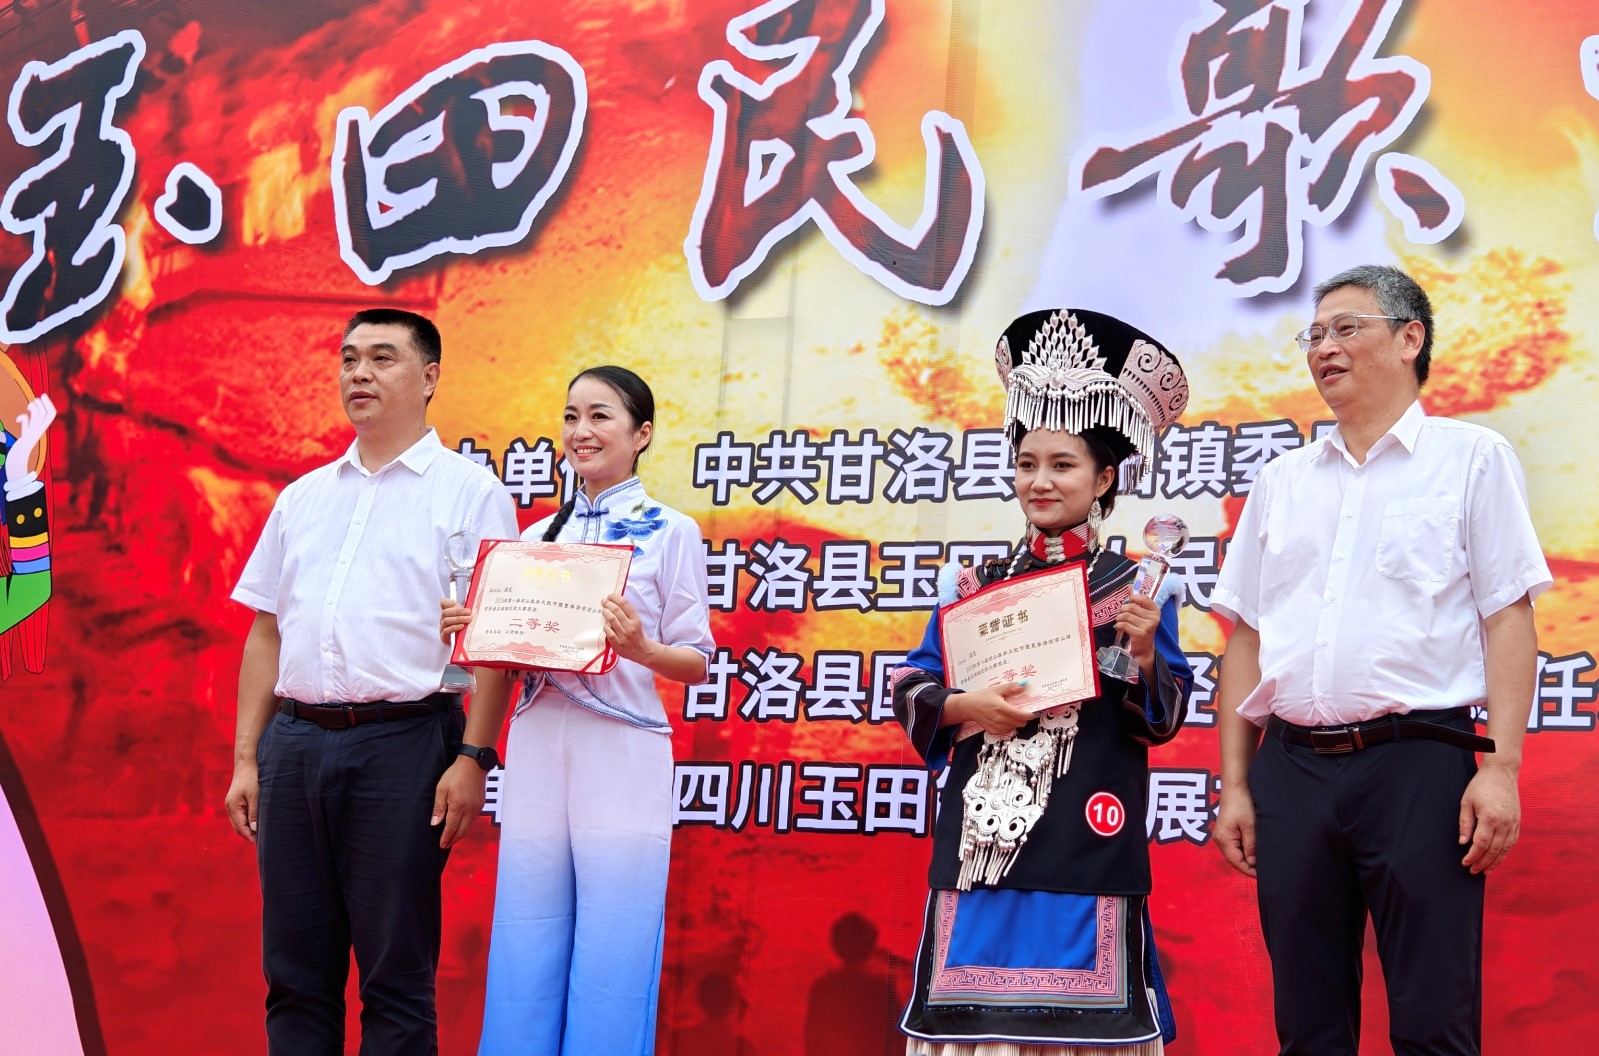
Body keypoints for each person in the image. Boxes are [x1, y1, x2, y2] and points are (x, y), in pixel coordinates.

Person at [1210, 264, 1551, 1056]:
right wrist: (1235, 783)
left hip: (1419, 765)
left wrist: (1500, 768)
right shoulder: (1281, 480)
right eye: (1313, 335)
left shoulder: (1470, 458)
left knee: (1433, 1022)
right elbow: (1245, 639)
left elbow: (1507, 617)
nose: (1323, 348)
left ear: (1408, 339)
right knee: (1307, 1025)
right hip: (1292, 768)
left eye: (1345, 328)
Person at [891, 309, 1194, 1055]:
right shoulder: (975, 584)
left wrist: (1145, 655)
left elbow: (1163, 717)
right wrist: (966, 705)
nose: (1040, 481)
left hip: (1086, 836)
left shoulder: (1136, 588)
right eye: (1027, 463)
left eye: (1062, 465)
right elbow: (913, 681)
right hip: (980, 846)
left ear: (1104, 478)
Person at [226, 308, 520, 1055]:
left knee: (395, 974)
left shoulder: (471, 492)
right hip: (294, 744)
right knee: (295, 971)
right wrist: (247, 758)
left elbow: (496, 638)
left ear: (429, 378)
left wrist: (474, 756)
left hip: (407, 744)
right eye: (350, 358)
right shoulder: (303, 496)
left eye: (382, 358)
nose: (359, 372)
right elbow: (267, 630)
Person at [440, 365, 714, 1056]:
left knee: (616, 934)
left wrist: (642, 648)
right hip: (537, 741)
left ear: (641, 434)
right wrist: (471, 630)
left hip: (622, 744)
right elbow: (503, 660)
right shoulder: (533, 539)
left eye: (599, 415)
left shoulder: (671, 531)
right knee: (525, 924)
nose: (579, 431)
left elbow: (696, 660)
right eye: (570, 416)